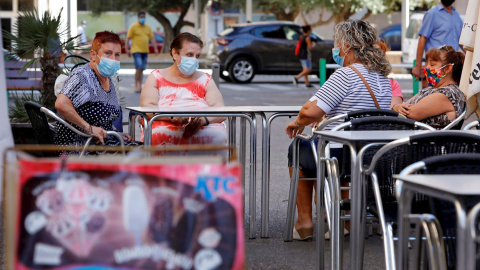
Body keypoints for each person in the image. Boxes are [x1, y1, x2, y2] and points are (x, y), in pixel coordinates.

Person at [285, 20, 392, 241]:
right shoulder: (382, 78)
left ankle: (305, 221)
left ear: (348, 46)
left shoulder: (346, 75)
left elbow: (309, 113)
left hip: (337, 154)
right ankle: (345, 217)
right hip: (370, 155)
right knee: (323, 150)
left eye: (338, 44)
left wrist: (298, 122)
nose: (337, 49)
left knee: (298, 149)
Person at [140, 32, 227, 146]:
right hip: (163, 133)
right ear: (175, 53)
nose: (194, 60)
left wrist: (203, 120)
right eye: (189, 54)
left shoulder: (205, 79)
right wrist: (172, 117)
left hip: (205, 133)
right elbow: (147, 109)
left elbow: (220, 110)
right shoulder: (156, 77)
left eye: (197, 56)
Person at [55, 31, 134, 148]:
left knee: (143, 151)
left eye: (117, 55)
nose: (113, 59)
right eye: (108, 53)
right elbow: (61, 104)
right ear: (93, 55)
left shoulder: (108, 79)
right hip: (79, 146)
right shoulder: (82, 75)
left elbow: (102, 120)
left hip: (100, 143)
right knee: (139, 156)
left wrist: (116, 134)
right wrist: (89, 129)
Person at [393, 45, 465, 129]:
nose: (426, 67)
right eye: (427, 63)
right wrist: (396, 107)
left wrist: (395, 107)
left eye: (432, 64)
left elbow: (410, 113)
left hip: (430, 141)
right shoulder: (432, 89)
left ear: (447, 68)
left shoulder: (448, 93)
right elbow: (404, 107)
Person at [411, 0, 462, 81]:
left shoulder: (456, 15)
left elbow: (461, 41)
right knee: (433, 92)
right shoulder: (432, 14)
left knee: (450, 92)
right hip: (436, 66)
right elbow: (422, 39)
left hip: (452, 66)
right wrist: (418, 65)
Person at [126, 11, 158, 93]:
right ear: (138, 17)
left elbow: (152, 38)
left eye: (144, 17)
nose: (142, 18)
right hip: (136, 50)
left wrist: (155, 48)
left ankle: (139, 85)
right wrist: (127, 49)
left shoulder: (147, 27)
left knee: (142, 69)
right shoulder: (133, 27)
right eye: (141, 17)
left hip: (145, 51)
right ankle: (136, 85)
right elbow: (128, 38)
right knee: (139, 67)